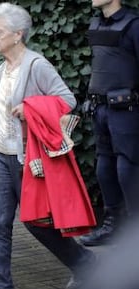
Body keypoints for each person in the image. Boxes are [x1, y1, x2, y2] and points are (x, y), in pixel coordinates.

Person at [0, 3, 96, 289]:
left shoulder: (36, 65)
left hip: (29, 161)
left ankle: (85, 263)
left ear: (18, 34)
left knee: (37, 222)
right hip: (0, 153)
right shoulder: (2, 68)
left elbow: (67, 100)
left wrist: (30, 108)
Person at [78, 0, 139, 247]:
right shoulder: (96, 24)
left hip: (127, 110)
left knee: (127, 170)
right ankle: (112, 226)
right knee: (104, 169)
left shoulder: (134, 25)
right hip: (100, 108)